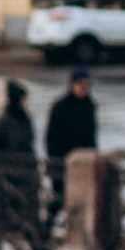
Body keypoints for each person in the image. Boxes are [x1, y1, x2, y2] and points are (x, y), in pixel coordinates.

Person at [0, 78, 41, 250]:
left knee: (29, 215)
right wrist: (3, 167)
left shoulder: (25, 119)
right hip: (7, 179)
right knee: (1, 215)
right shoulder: (4, 121)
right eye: (23, 98)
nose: (26, 102)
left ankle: (36, 249)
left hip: (25, 177)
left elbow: (30, 145)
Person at [43, 68, 98, 230]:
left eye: (86, 84)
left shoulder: (89, 105)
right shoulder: (60, 107)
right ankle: (44, 232)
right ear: (72, 85)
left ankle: (78, 234)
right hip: (63, 163)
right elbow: (51, 137)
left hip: (84, 164)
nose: (83, 88)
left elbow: (92, 135)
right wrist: (56, 162)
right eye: (80, 84)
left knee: (82, 202)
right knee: (59, 201)